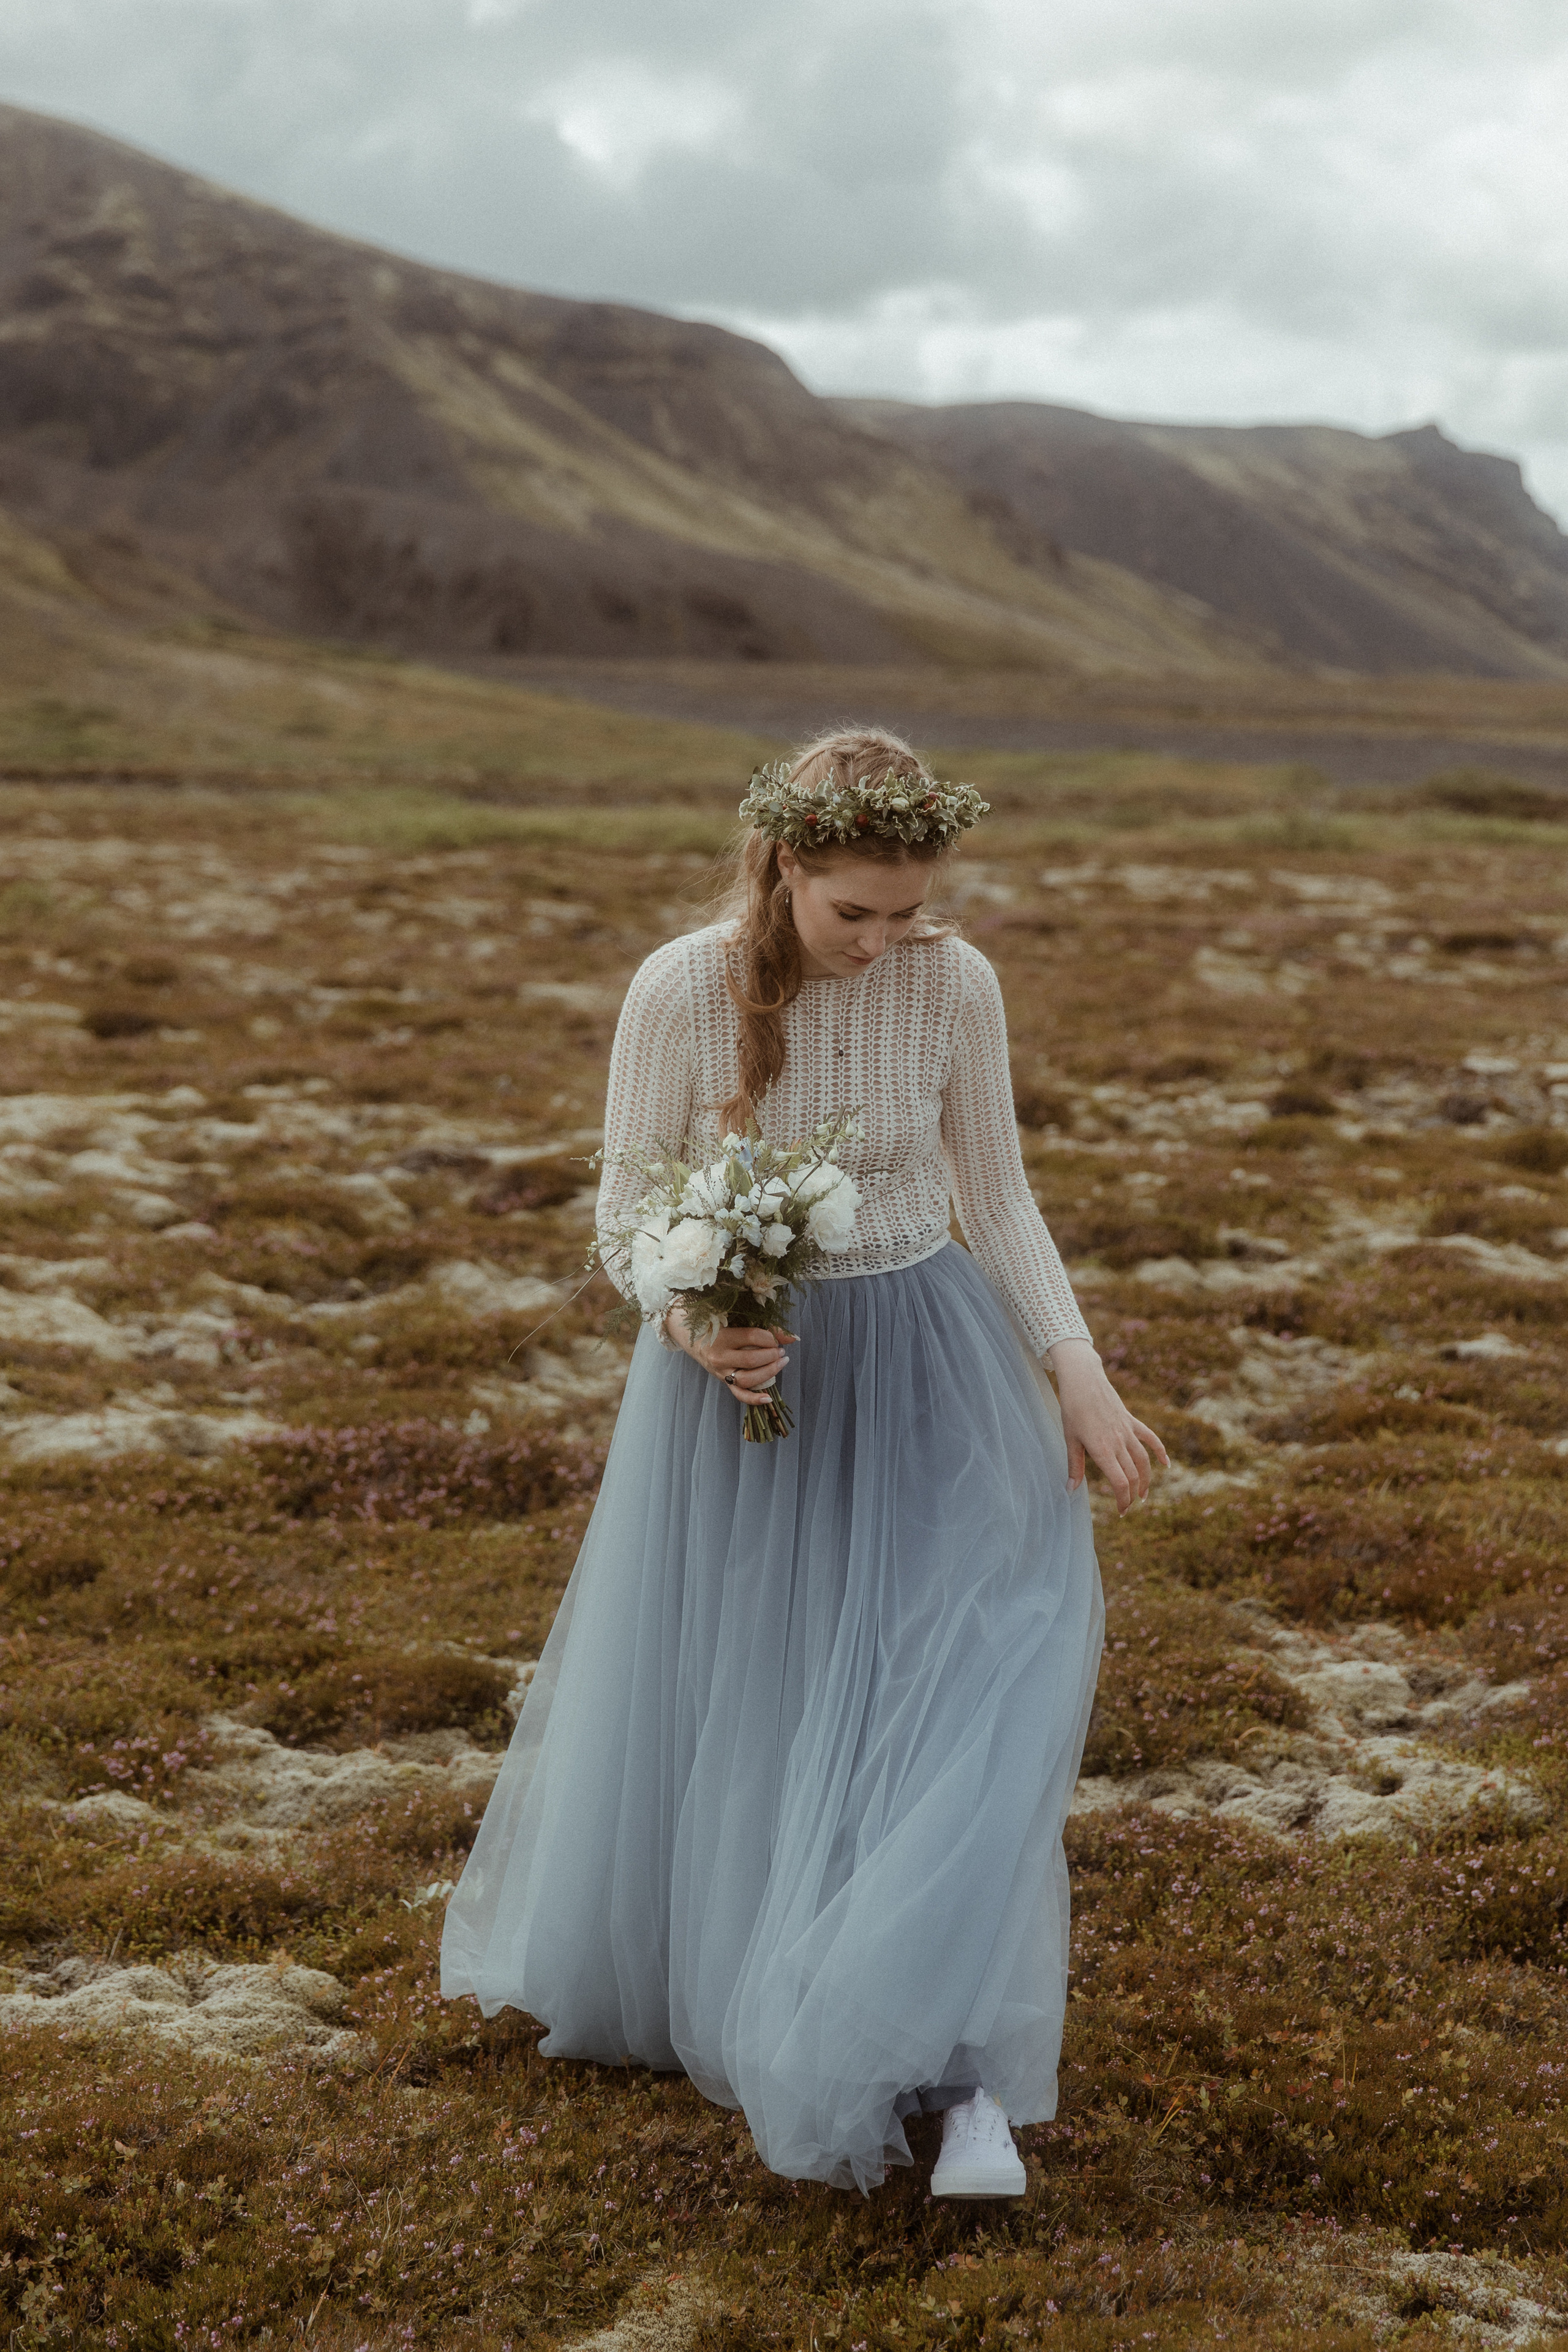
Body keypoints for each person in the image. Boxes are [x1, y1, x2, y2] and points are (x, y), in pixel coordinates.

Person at [441, 727, 1165, 2198]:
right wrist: (697, 1322)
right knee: (769, 1689)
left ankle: (946, 2060)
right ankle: (770, 1977)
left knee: (973, 1664)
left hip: (931, 1359)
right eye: (856, 914)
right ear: (784, 867)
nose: (885, 940)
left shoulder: (954, 982)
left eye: (908, 911)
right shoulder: (679, 988)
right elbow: (621, 1214)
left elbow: (1001, 1197)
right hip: (751, 1381)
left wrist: (1078, 1378)